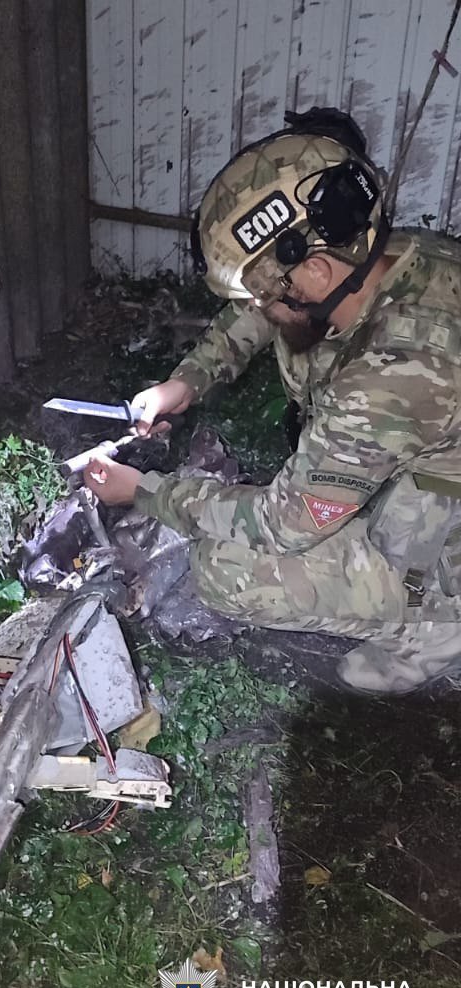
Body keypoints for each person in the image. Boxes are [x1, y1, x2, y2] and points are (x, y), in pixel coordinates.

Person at [83, 108, 461, 695]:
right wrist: (185, 383)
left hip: (444, 525)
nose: (258, 308)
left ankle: (435, 626)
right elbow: (260, 315)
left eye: (264, 295)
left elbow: (282, 524)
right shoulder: (394, 257)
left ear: (316, 271)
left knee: (223, 569)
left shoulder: (393, 372)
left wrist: (145, 491)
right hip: (422, 472)